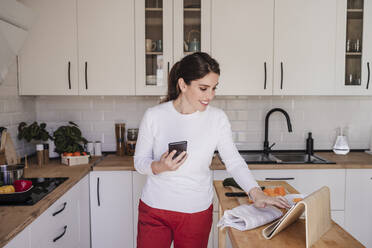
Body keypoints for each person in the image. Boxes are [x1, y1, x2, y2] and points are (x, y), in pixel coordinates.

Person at [134, 52, 290, 248]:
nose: (210, 96)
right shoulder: (154, 116)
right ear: (183, 85)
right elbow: (139, 162)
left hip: (196, 212)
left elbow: (233, 161)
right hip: (155, 209)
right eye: (203, 88)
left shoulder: (217, 119)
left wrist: (256, 193)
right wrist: (159, 166)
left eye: (214, 88)